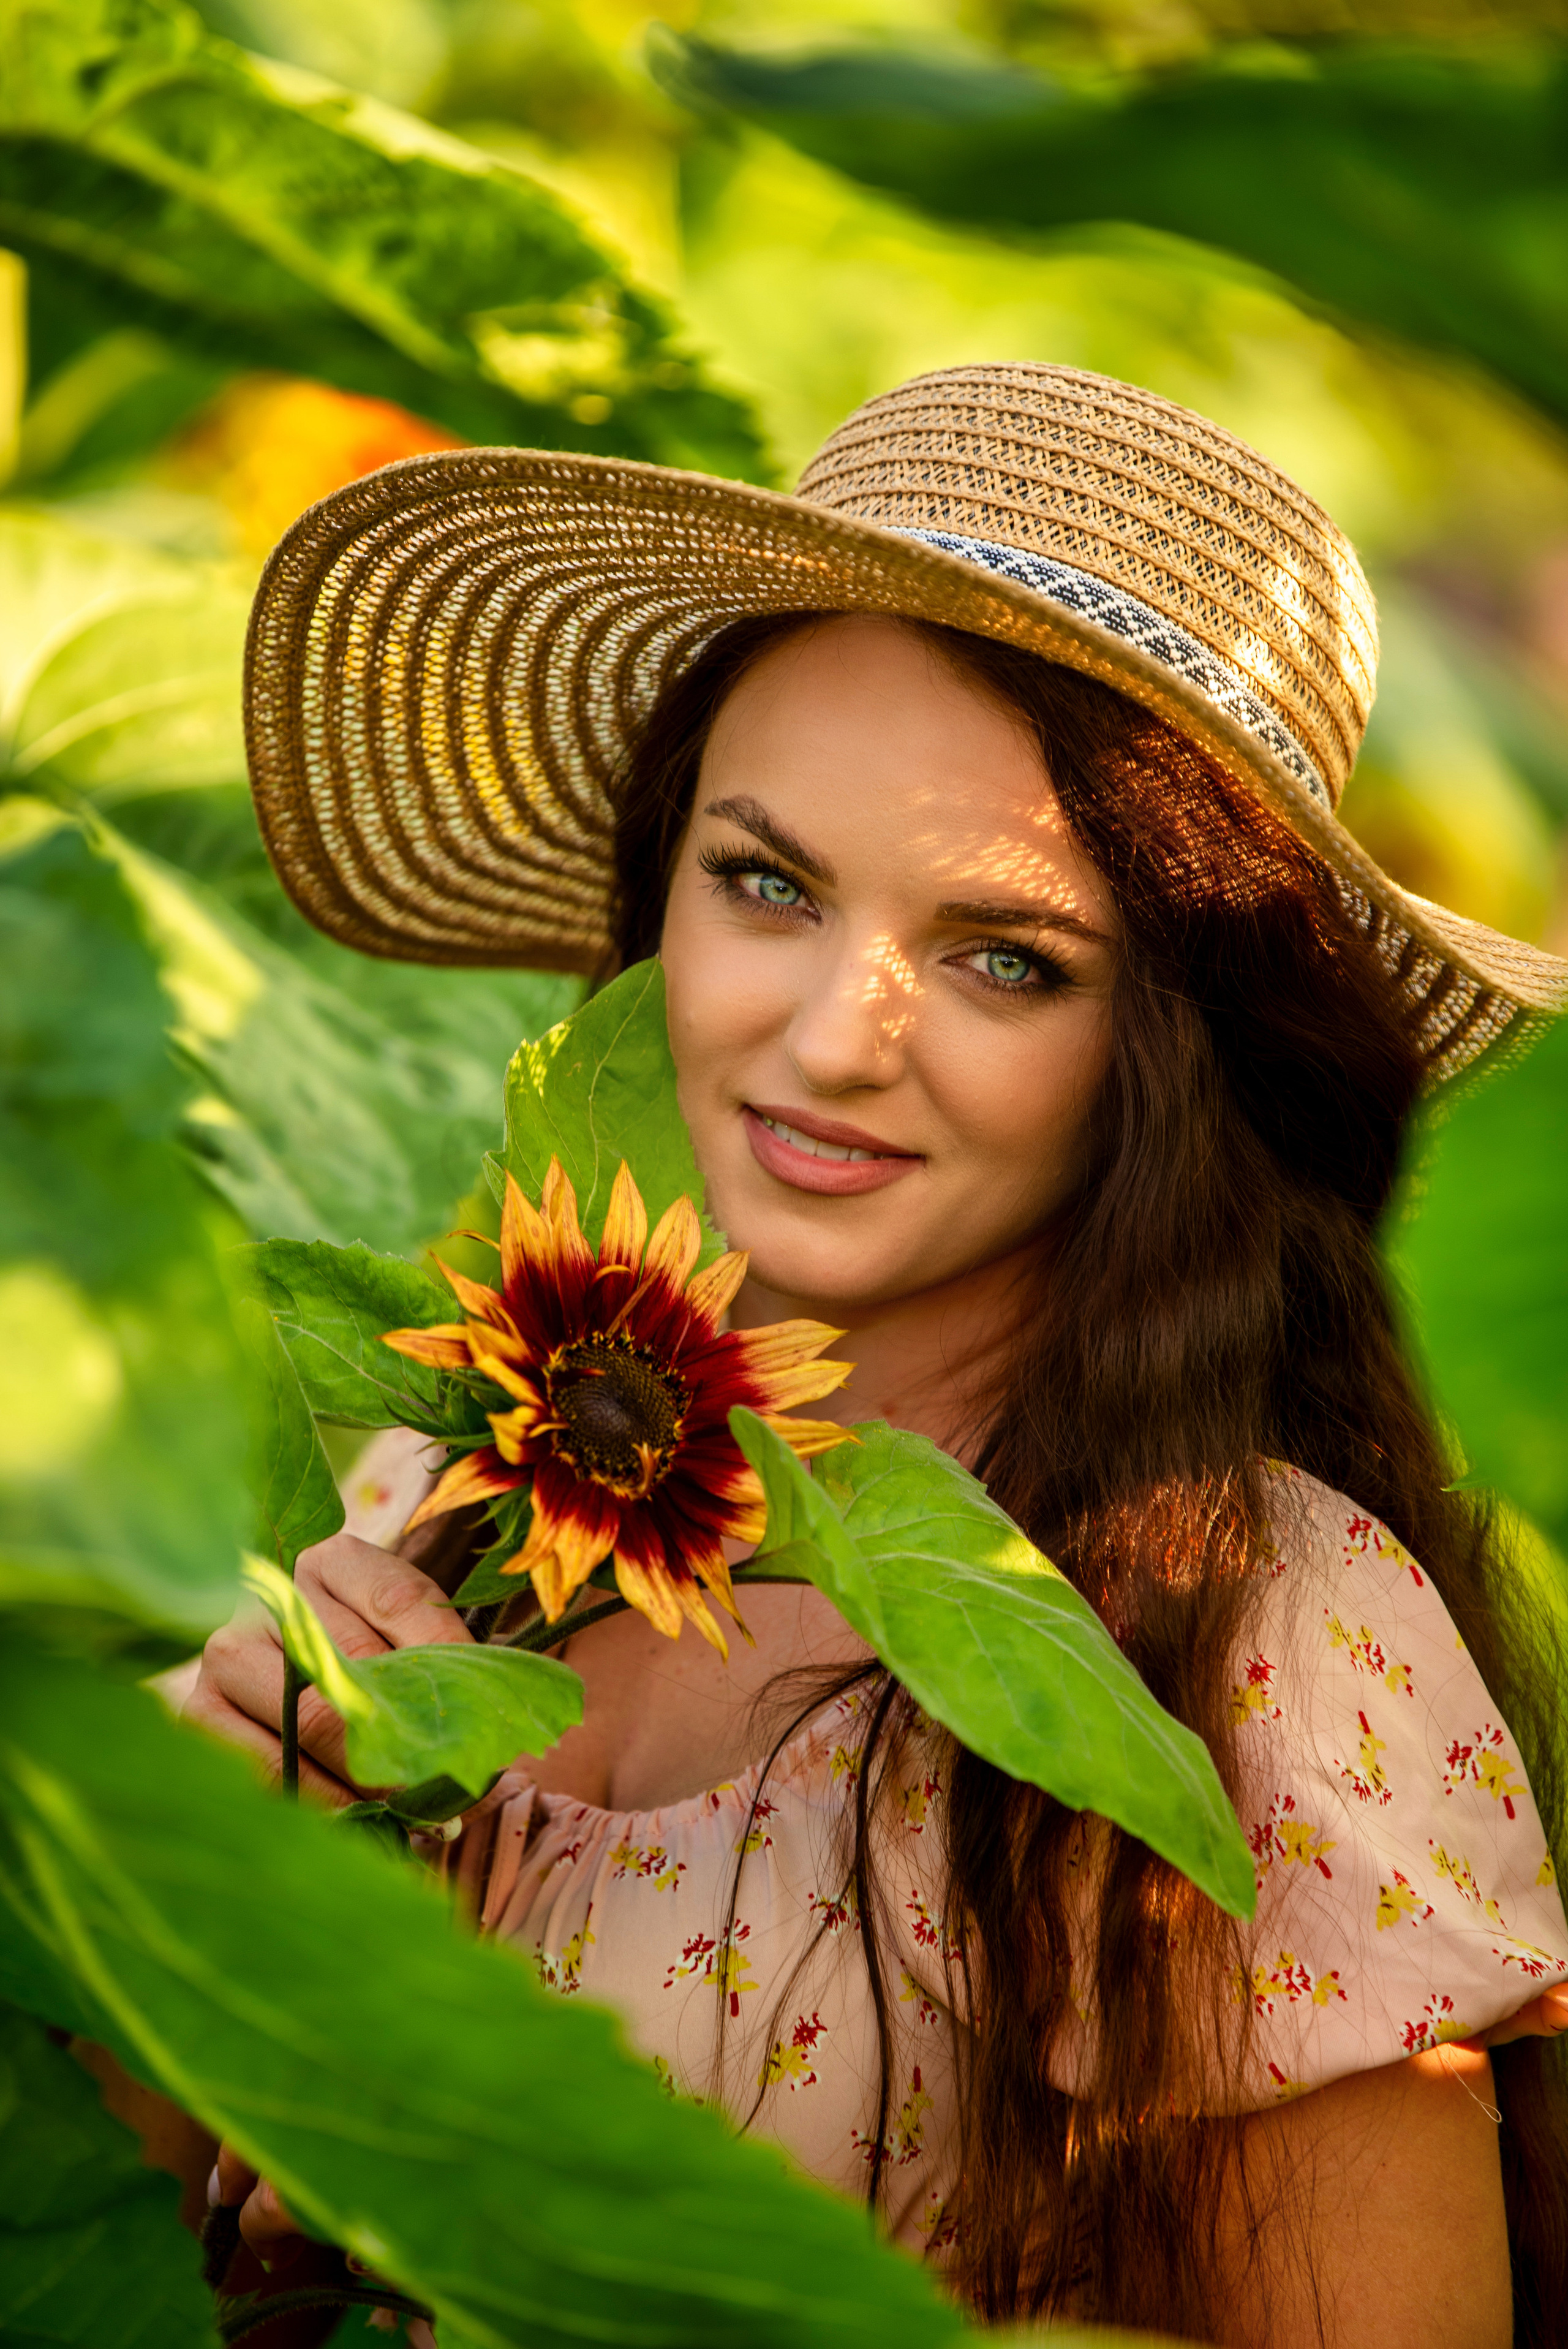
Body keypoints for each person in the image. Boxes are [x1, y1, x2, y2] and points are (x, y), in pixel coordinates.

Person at [193, 364, 1568, 2344]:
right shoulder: (448, 1487)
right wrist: (210, 1867)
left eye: (1009, 955)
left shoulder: (1244, 1639)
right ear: (661, 883)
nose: (840, 1034)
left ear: (1178, 1047)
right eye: (768, 882)